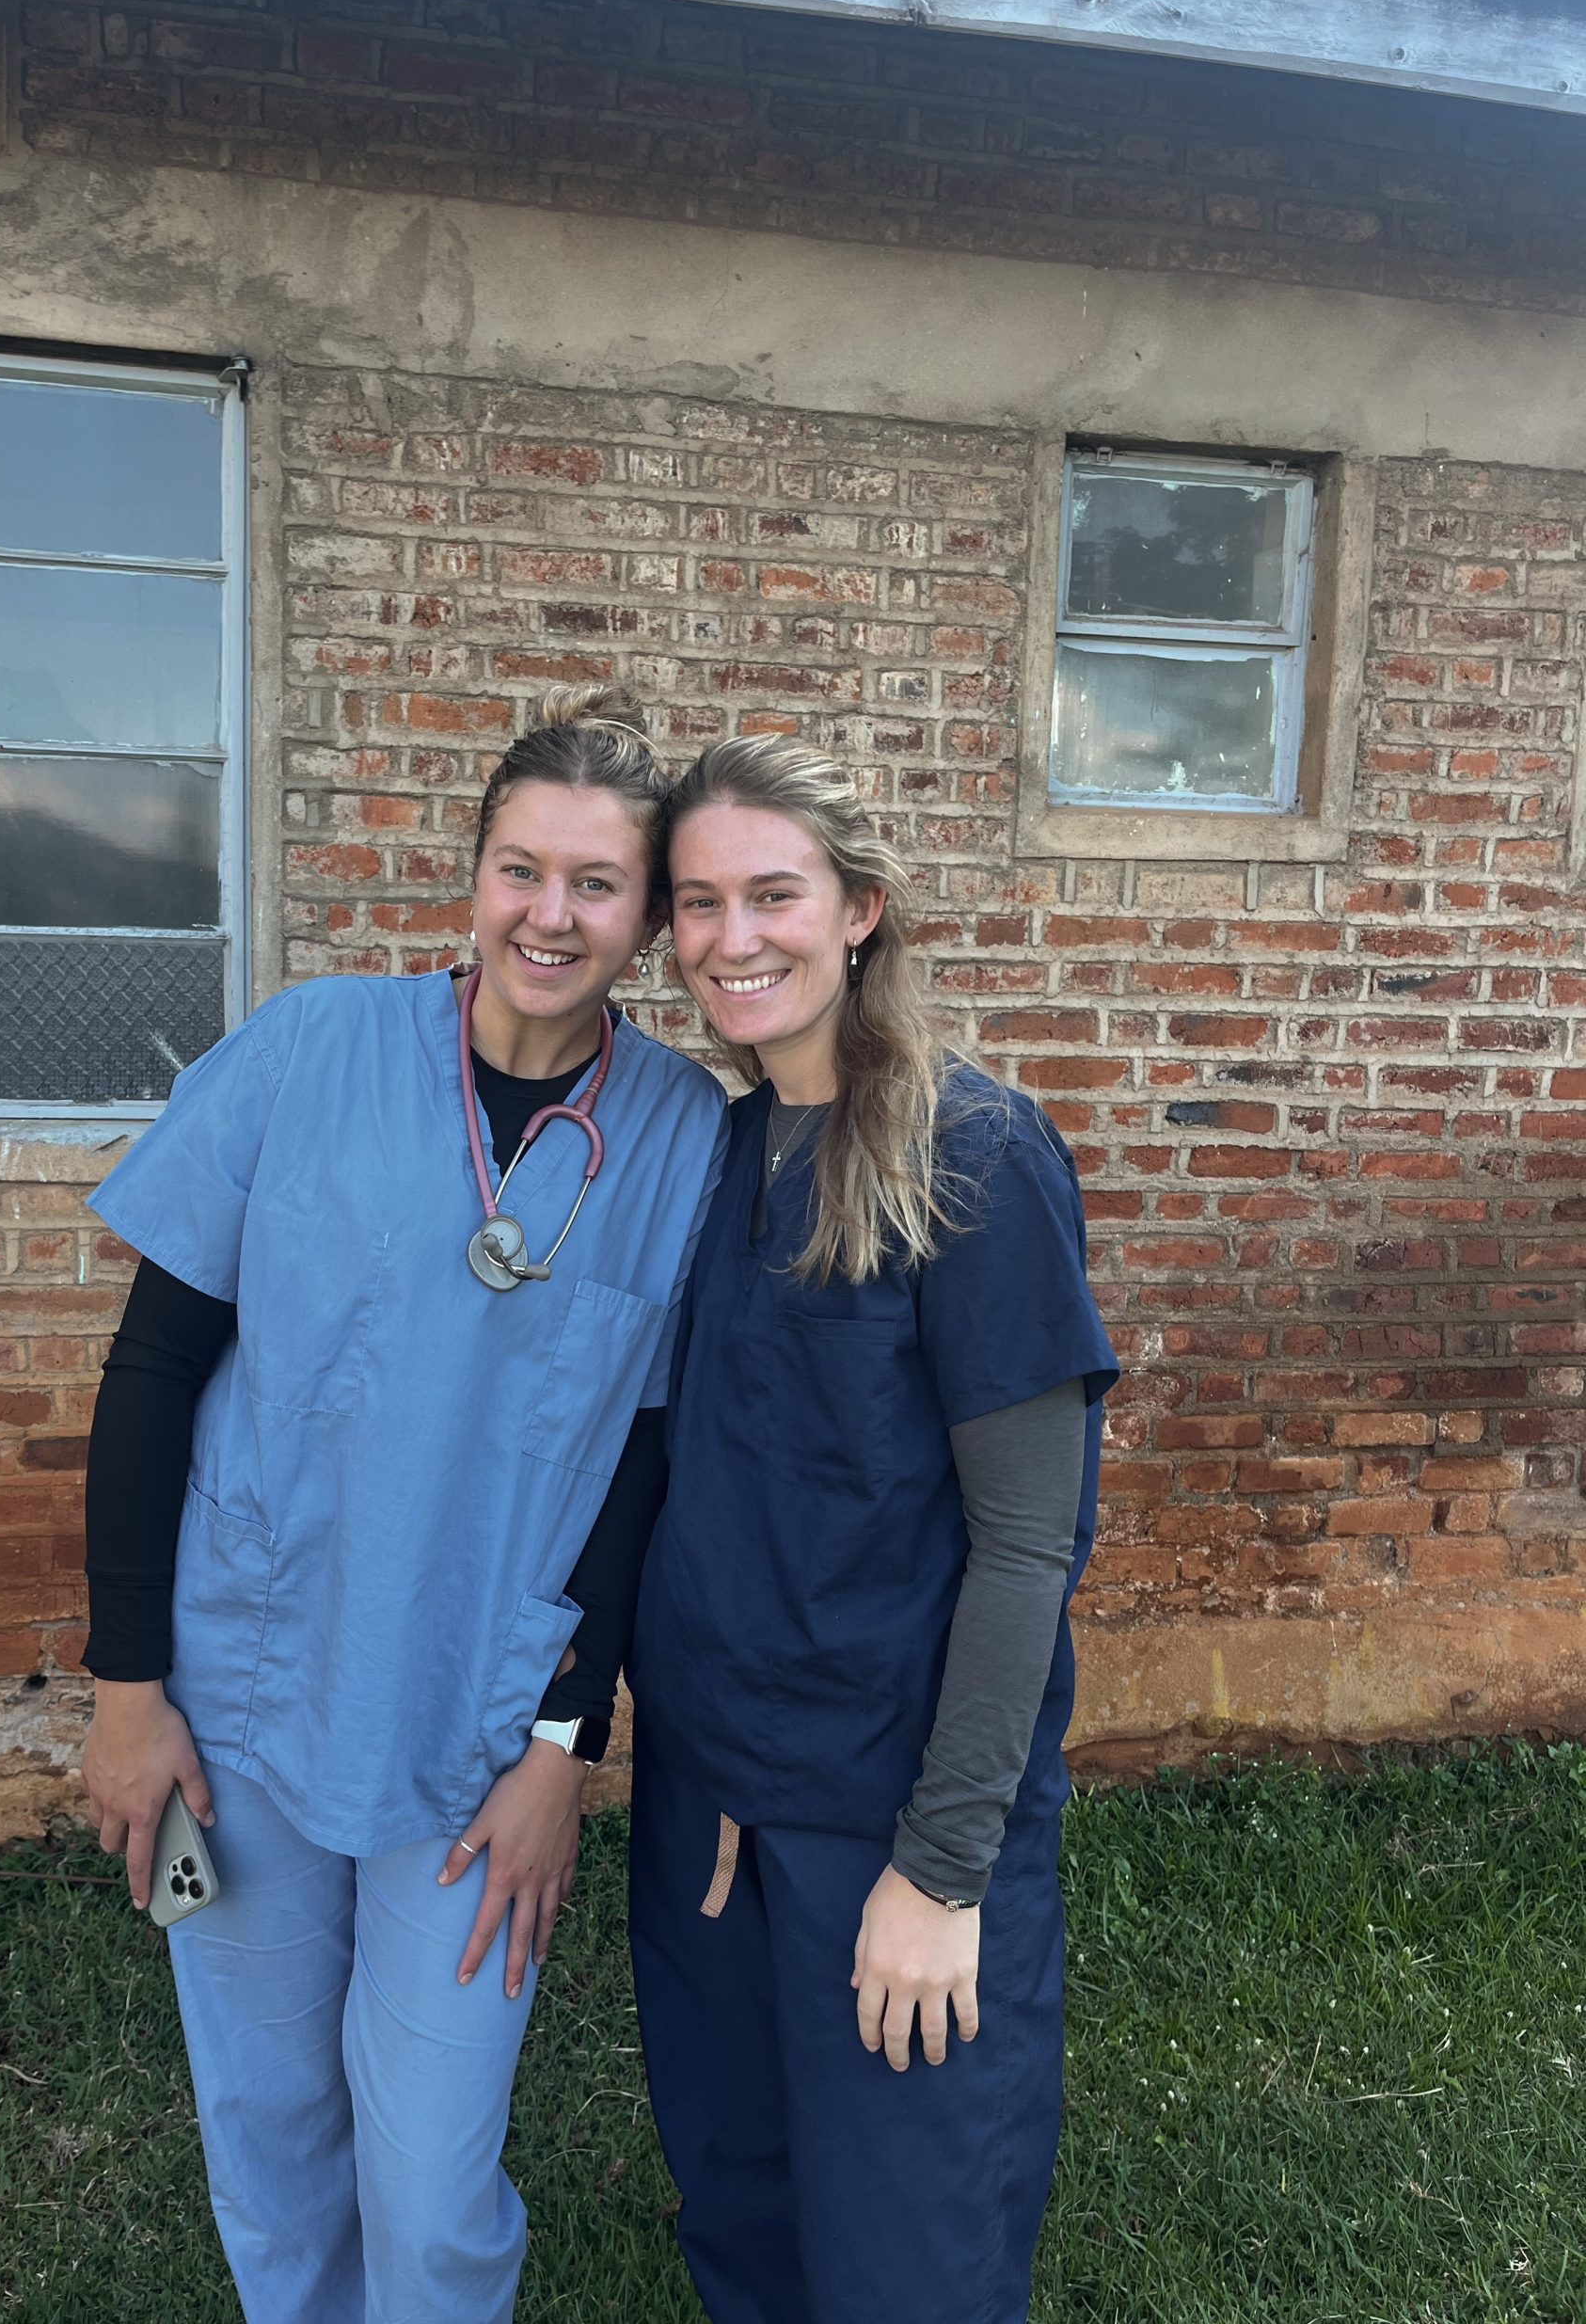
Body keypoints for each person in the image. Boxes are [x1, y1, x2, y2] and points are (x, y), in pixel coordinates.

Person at [78, 686, 727, 2324]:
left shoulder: (680, 1142)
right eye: (523, 868)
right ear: (474, 873)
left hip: (477, 1723)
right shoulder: (308, 1048)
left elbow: (642, 1471)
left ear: (647, 921)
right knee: (269, 2114)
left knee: (432, 2168)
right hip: (234, 1696)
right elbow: (153, 1375)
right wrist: (128, 1690)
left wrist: (564, 1751)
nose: (551, 915)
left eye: (598, 884)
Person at [626, 734, 1119, 2324]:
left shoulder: (971, 1159)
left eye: (775, 893)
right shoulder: (710, 1151)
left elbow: (1030, 1548)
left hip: (888, 1826)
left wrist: (944, 1871)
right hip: (712, 1819)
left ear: (861, 912)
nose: (733, 938)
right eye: (698, 903)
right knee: (747, 2220)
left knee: (908, 2262)